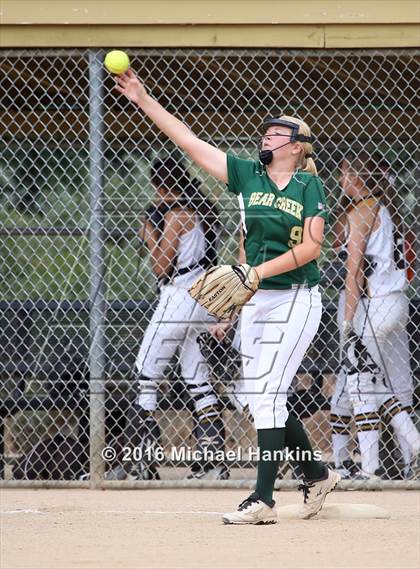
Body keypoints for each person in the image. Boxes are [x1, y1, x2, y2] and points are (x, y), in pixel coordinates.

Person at [115, 68, 340, 525]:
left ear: (296, 147)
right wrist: (143, 99)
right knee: (262, 399)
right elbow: (190, 142)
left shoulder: (308, 185)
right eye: (268, 130)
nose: (268, 135)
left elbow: (312, 247)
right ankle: (316, 474)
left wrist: (255, 272)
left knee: (270, 394)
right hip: (257, 300)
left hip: (296, 297)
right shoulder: (247, 175)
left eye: (279, 133)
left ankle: (263, 500)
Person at [124, 155, 229, 481]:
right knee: (197, 379)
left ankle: (143, 460)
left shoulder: (177, 214)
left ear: (160, 185)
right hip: (203, 297)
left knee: (145, 373)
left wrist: (149, 237)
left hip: (180, 296)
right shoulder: (200, 207)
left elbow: (160, 267)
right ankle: (211, 463)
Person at [329, 152, 420, 479]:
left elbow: (353, 275)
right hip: (395, 302)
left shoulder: (362, 212)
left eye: (344, 175)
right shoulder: (381, 207)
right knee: (382, 383)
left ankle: (370, 469)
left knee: (359, 385)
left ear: (354, 178)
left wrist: (347, 324)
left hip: (375, 306)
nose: (341, 182)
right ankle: (411, 447)